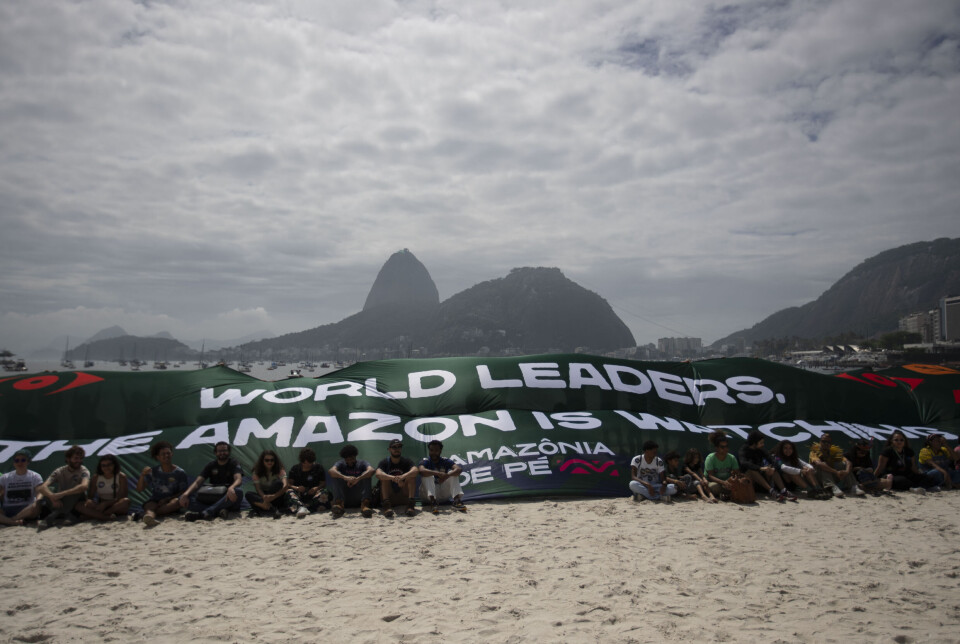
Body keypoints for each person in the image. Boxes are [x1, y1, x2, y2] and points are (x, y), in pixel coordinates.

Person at [179, 441, 244, 521]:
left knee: (238, 491)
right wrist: (185, 494)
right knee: (183, 497)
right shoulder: (211, 465)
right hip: (213, 496)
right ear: (215, 453)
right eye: (219, 451)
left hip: (227, 498)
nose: (222, 453)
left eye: (224, 451)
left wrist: (231, 488)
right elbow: (197, 482)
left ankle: (205, 513)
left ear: (228, 452)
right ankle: (216, 511)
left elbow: (238, 479)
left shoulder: (234, 463)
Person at [135, 440, 190, 527]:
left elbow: (183, 492)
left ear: (172, 454)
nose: (166, 456)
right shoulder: (154, 471)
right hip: (155, 500)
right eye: (163, 454)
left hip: (170, 501)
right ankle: (150, 517)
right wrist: (142, 475)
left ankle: (145, 515)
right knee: (150, 505)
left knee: (176, 502)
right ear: (158, 457)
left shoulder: (180, 473)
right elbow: (139, 489)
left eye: (168, 453)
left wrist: (167, 499)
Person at [37, 446, 90, 528]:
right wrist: (52, 497)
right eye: (76, 458)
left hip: (75, 501)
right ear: (68, 459)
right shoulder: (60, 471)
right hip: (60, 501)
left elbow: (84, 486)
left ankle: (55, 515)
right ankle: (65, 514)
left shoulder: (83, 470)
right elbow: (42, 487)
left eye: (80, 458)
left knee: (77, 490)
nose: (79, 461)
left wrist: (62, 494)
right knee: (49, 490)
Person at [738, 431, 796, 502]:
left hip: (761, 481)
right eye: (761, 443)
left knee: (772, 469)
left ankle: (783, 490)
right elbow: (744, 463)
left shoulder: (760, 450)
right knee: (752, 470)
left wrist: (772, 468)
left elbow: (772, 459)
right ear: (754, 443)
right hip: (749, 481)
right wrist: (760, 468)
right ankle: (772, 491)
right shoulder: (743, 450)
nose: (763, 444)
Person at [245, 450, 299, 519]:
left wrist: (273, 496)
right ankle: (271, 509)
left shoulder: (279, 470)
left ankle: (266, 509)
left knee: (278, 483)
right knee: (248, 494)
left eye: (272, 460)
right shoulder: (257, 471)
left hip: (277, 497)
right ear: (262, 461)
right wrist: (264, 497)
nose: (269, 462)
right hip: (264, 496)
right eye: (267, 460)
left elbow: (285, 485)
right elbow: (258, 489)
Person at [76, 454, 131, 521]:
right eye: (103, 465)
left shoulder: (121, 476)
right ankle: (106, 517)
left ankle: (101, 515)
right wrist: (91, 502)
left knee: (125, 501)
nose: (106, 467)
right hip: (100, 505)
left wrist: (106, 504)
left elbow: (122, 496)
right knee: (79, 505)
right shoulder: (96, 477)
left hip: (115, 505)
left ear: (114, 465)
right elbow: (90, 496)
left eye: (109, 465)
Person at [418, 439, 465, 514]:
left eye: (436, 450)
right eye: (431, 450)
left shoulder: (445, 460)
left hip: (443, 493)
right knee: (428, 476)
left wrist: (447, 475)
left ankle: (456, 501)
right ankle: (433, 502)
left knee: (453, 474)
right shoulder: (425, 460)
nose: (433, 452)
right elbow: (421, 471)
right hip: (428, 495)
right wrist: (437, 473)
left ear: (440, 451)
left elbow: (458, 469)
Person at [328, 444, 375, 518]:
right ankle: (339, 504)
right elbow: (331, 471)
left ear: (355, 456)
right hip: (346, 496)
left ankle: (365, 505)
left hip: (359, 496)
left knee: (366, 474)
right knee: (336, 475)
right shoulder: (340, 464)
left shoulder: (362, 463)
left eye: (351, 458)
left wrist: (358, 479)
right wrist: (345, 477)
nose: (349, 461)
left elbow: (371, 470)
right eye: (347, 459)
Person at [375, 439, 419, 517]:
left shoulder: (406, 461)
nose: (397, 449)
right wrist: (393, 478)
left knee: (411, 477)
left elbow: (415, 470)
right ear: (389, 449)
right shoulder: (384, 462)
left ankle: (410, 505)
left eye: (399, 447)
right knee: (384, 478)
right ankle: (387, 506)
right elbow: (378, 474)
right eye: (394, 447)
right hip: (390, 497)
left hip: (403, 495)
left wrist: (403, 477)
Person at [809, 433, 861, 498]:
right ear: (820, 442)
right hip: (818, 478)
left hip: (831, 476)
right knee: (823, 464)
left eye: (828, 442)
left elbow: (848, 462)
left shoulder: (834, 452)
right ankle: (832, 487)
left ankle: (853, 486)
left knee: (843, 464)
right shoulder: (814, 452)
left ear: (830, 444)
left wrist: (846, 471)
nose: (826, 444)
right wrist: (836, 472)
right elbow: (818, 463)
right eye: (824, 441)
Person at [0, 449, 43, 526]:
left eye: (23, 460)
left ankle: (13, 519)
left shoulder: (35, 476)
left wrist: (38, 500)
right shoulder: (5, 478)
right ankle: (13, 522)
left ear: (28, 462)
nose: (20, 462)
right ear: (14, 463)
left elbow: (40, 492)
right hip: (8, 508)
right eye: (17, 460)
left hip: (27, 508)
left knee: (36, 505)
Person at [287, 448, 330, 518]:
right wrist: (297, 488)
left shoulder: (318, 468)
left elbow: (323, 483)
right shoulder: (295, 469)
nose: (308, 465)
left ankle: (303, 508)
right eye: (305, 463)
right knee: (289, 492)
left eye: (310, 463)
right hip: (299, 496)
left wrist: (316, 488)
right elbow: (289, 484)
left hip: (313, 496)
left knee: (324, 492)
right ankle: (302, 507)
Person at [703, 434, 739, 500]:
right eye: (722, 447)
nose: (725, 449)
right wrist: (723, 483)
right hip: (716, 483)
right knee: (713, 486)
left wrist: (733, 478)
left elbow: (737, 473)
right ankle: (726, 494)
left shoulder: (732, 458)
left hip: (728, 483)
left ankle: (724, 494)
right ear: (716, 448)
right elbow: (710, 476)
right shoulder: (710, 458)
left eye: (726, 446)